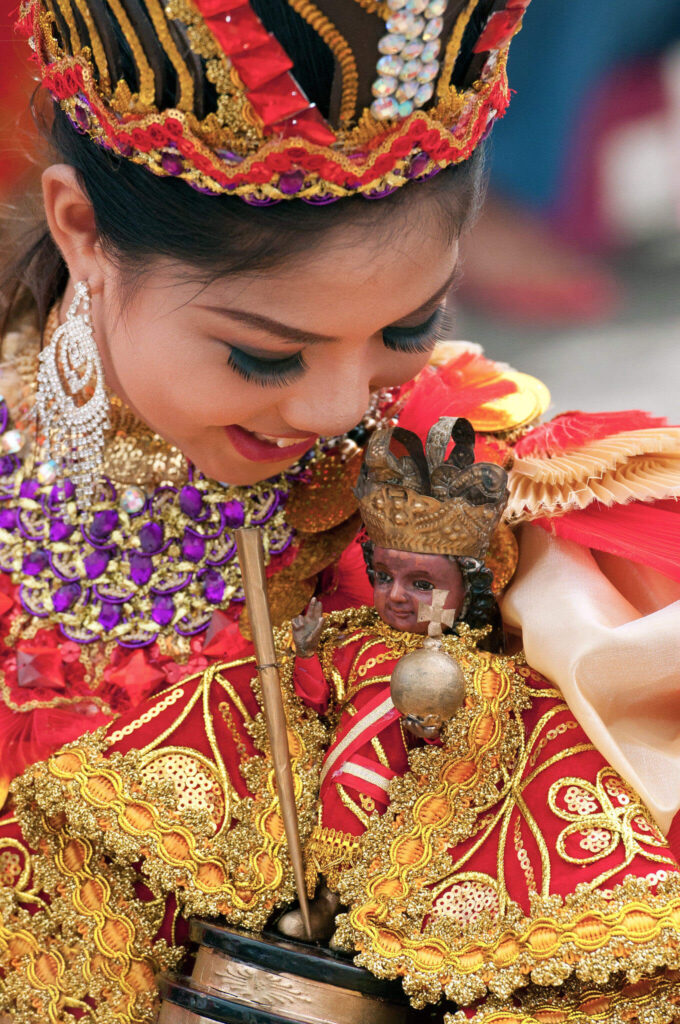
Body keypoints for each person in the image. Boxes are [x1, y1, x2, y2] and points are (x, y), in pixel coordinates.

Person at [0, 0, 679, 1020]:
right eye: (262, 353)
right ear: (82, 230)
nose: (332, 407)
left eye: (405, 330)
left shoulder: (478, 508)